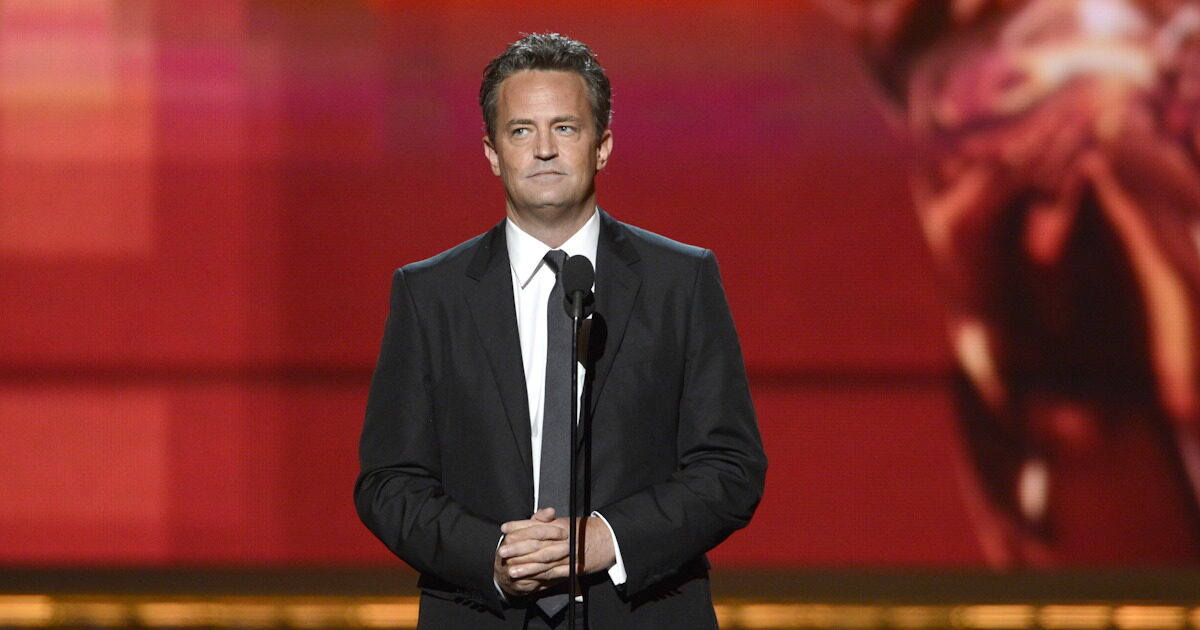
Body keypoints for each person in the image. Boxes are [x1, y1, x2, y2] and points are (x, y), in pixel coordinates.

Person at [354, 32, 767, 629]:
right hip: (483, 614)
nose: (544, 149)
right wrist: (493, 556)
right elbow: (389, 482)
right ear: (492, 152)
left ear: (602, 146)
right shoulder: (429, 295)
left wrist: (607, 539)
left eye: (565, 128)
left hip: (641, 613)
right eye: (521, 130)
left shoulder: (681, 281)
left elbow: (730, 466)